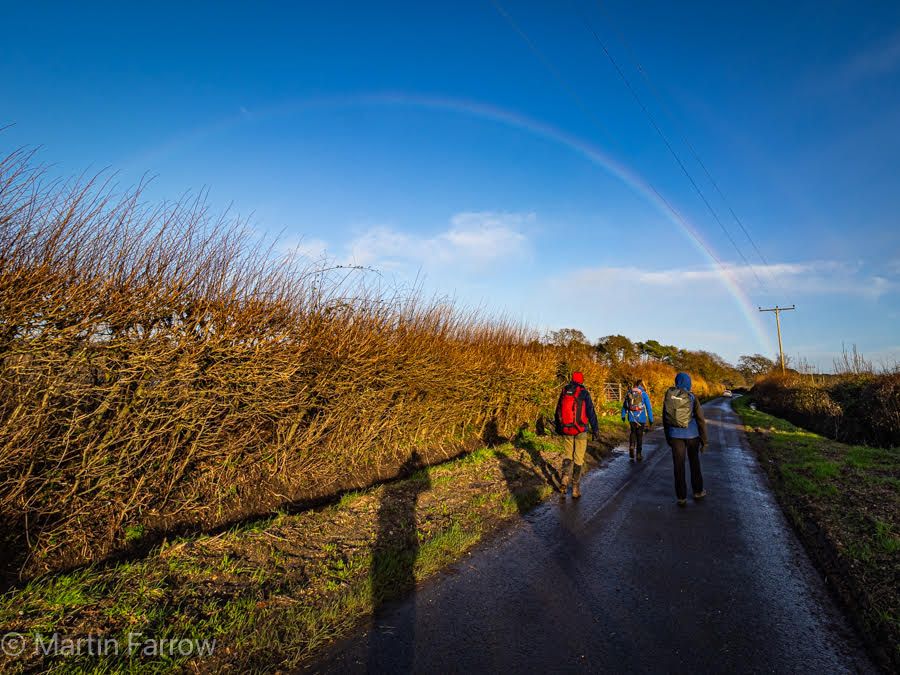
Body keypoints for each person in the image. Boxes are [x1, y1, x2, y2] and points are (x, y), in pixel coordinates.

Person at [663, 372, 708, 506]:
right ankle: (698, 491)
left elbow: (665, 419)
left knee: (678, 466)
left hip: (675, 436)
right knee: (694, 464)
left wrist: (668, 437)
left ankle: (681, 497)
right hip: (692, 436)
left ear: (676, 382)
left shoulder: (669, 396)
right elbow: (701, 420)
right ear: (688, 382)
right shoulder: (692, 397)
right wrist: (704, 441)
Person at [554, 371, 599, 499]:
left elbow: (557, 410)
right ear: (581, 380)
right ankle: (575, 488)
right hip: (581, 429)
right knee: (578, 458)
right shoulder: (584, 392)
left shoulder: (564, 390)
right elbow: (591, 412)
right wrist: (595, 429)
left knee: (568, 455)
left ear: (572, 379)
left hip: (566, 429)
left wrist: (559, 427)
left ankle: (564, 480)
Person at [621, 379, 653, 462]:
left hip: (631, 417)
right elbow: (649, 408)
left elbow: (625, 405)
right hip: (641, 418)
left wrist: (623, 415)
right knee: (639, 435)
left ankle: (632, 446)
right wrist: (651, 419)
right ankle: (638, 454)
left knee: (633, 432)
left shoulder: (629, 392)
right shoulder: (644, 394)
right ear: (643, 385)